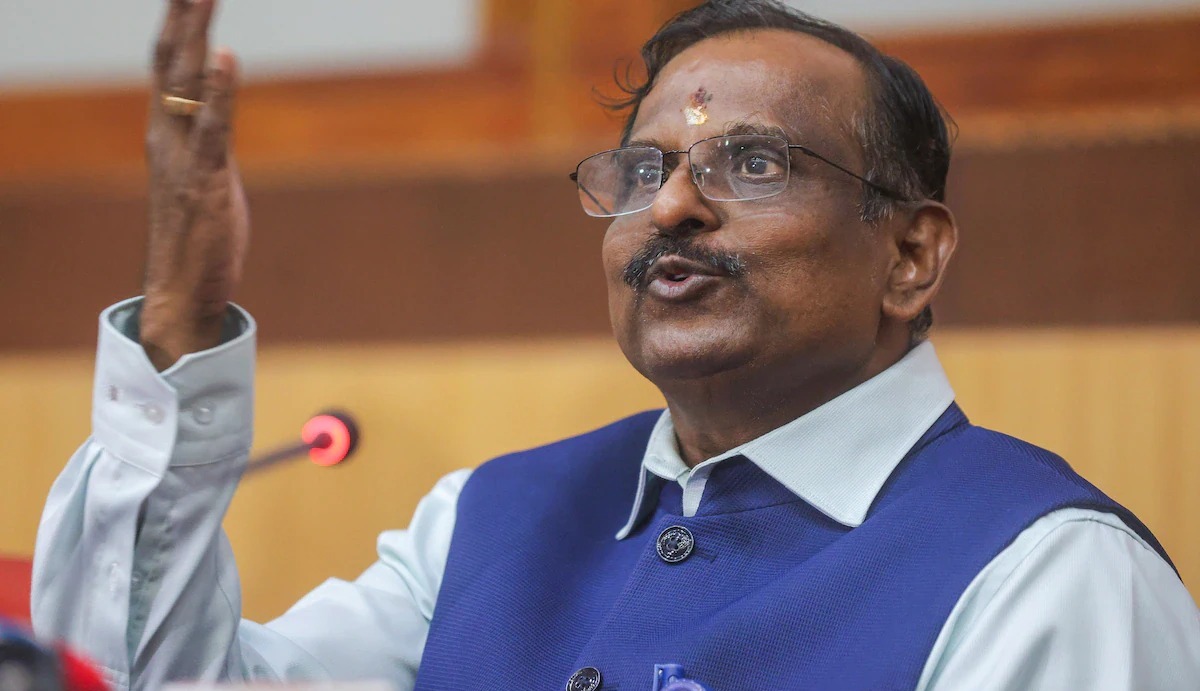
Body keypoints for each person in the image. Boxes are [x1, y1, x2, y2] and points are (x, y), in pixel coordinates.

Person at [30, 0, 1200, 689]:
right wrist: (180, 312)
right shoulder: (488, 522)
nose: (673, 207)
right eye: (643, 170)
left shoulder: (1047, 577)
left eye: (755, 162)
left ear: (910, 254)